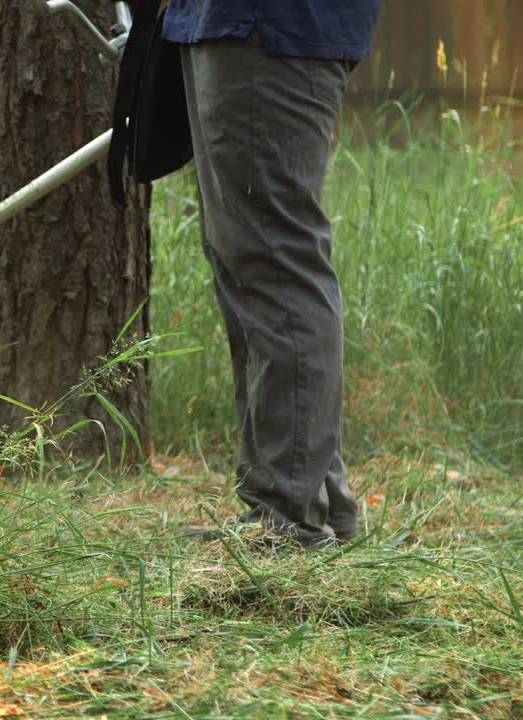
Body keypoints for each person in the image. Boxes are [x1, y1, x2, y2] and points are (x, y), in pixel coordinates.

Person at [162, 1, 382, 548]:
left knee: (275, 262)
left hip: (268, 23)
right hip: (226, 23)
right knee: (245, 261)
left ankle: (291, 516)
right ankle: (309, 504)